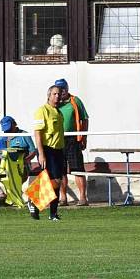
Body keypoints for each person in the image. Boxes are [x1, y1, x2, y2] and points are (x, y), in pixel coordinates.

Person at [32, 84, 65, 221]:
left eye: (59, 94)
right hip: (48, 149)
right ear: (49, 95)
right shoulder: (42, 110)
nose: (57, 96)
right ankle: (37, 204)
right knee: (52, 180)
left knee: (56, 180)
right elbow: (38, 133)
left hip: (58, 149)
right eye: (54, 94)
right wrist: (41, 153)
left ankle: (49, 211)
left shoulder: (58, 111)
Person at [54, 78, 90, 206]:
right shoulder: (53, 103)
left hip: (73, 139)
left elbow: (85, 119)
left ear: (67, 89)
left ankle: (82, 197)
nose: (60, 92)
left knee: (77, 168)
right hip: (57, 140)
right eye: (58, 90)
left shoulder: (75, 101)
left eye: (62, 89)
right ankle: (63, 198)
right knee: (61, 170)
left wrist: (83, 137)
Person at [0, 116, 37, 207]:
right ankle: (3, 195)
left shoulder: (24, 135)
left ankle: (12, 198)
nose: (7, 131)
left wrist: (25, 160)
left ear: (14, 124)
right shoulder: (3, 137)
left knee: (15, 177)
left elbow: (33, 151)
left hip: (21, 165)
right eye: (5, 129)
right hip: (5, 165)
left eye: (9, 128)